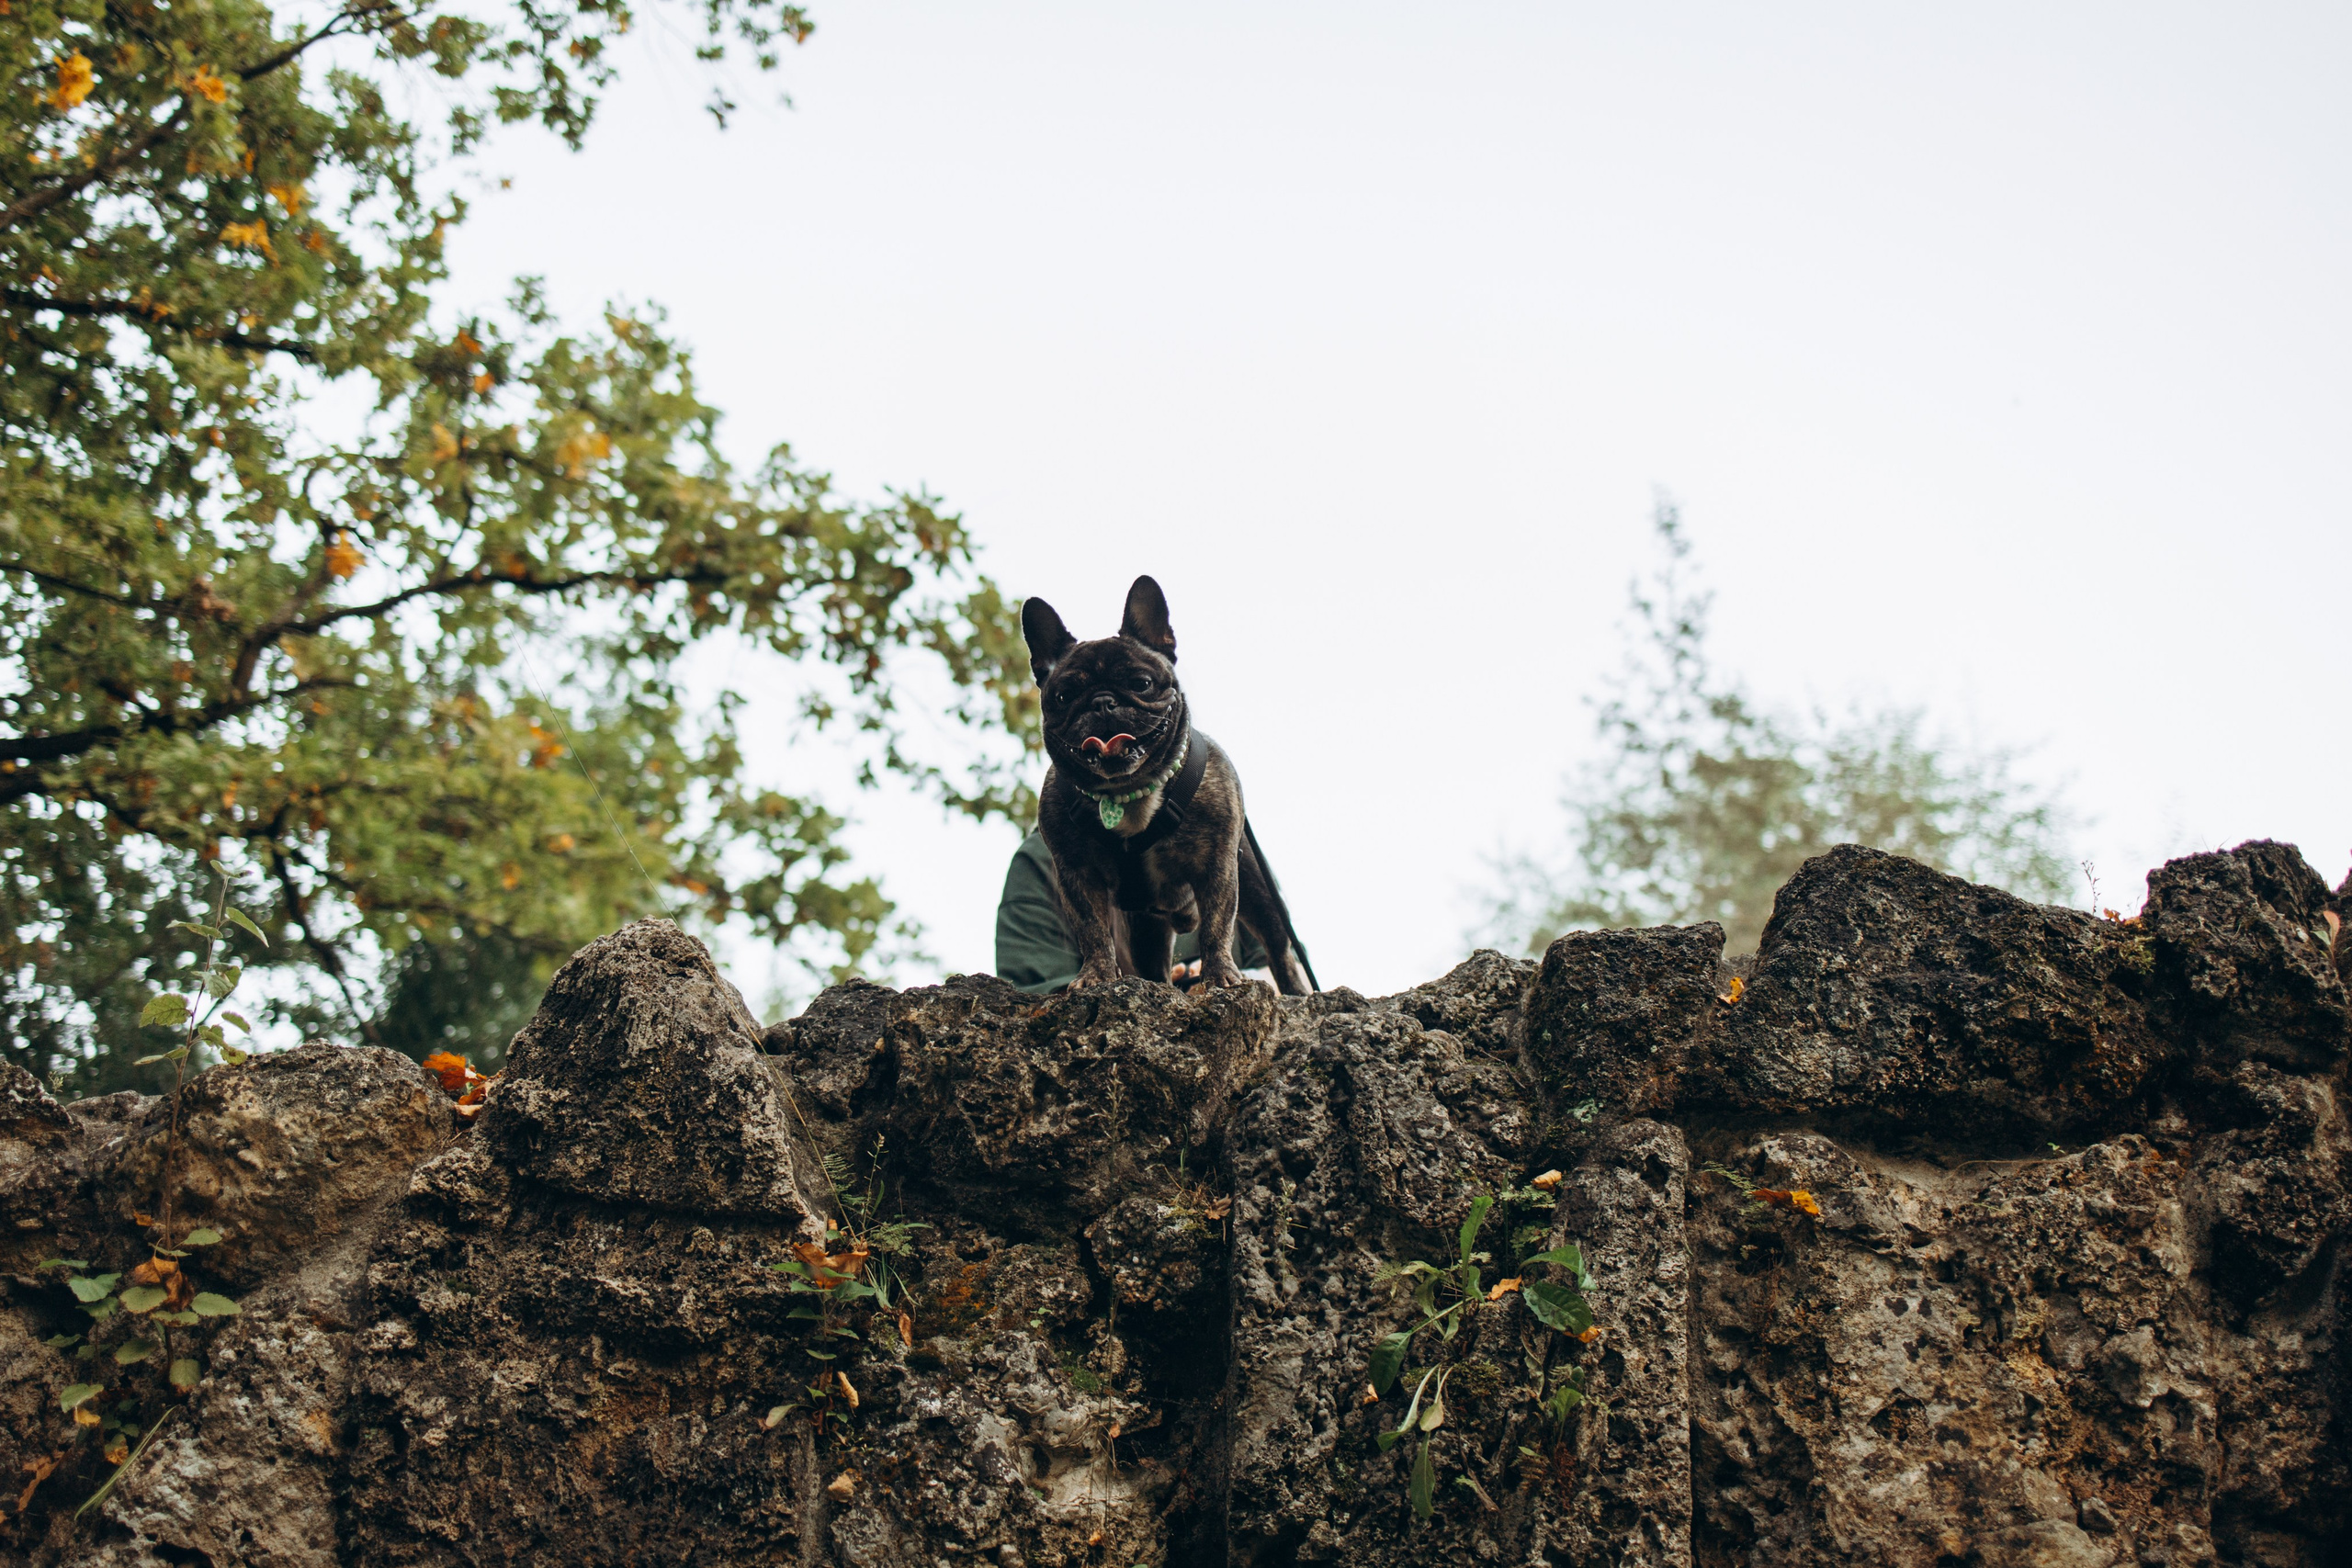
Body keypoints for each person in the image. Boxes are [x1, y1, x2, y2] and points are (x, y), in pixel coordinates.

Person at [993, 831, 1290, 992]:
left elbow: (1287, 972)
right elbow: (1031, 999)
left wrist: (1230, 988)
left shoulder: (1221, 829)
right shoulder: (1041, 861)